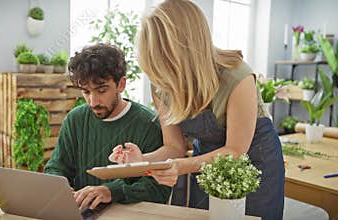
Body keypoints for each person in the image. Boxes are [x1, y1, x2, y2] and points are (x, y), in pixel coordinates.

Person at [108, 0, 284, 219]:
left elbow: (235, 152)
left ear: (186, 50)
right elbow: (174, 147)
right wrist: (142, 160)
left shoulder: (237, 76)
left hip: (254, 160)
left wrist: (182, 166)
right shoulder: (161, 84)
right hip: (204, 164)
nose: (159, 73)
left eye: (163, 60)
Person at [44, 43, 171, 211]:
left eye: (101, 90)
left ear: (121, 84)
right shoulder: (75, 119)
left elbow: (158, 189)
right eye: (86, 92)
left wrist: (111, 191)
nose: (93, 102)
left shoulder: (148, 123)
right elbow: (56, 168)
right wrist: (59, 187)